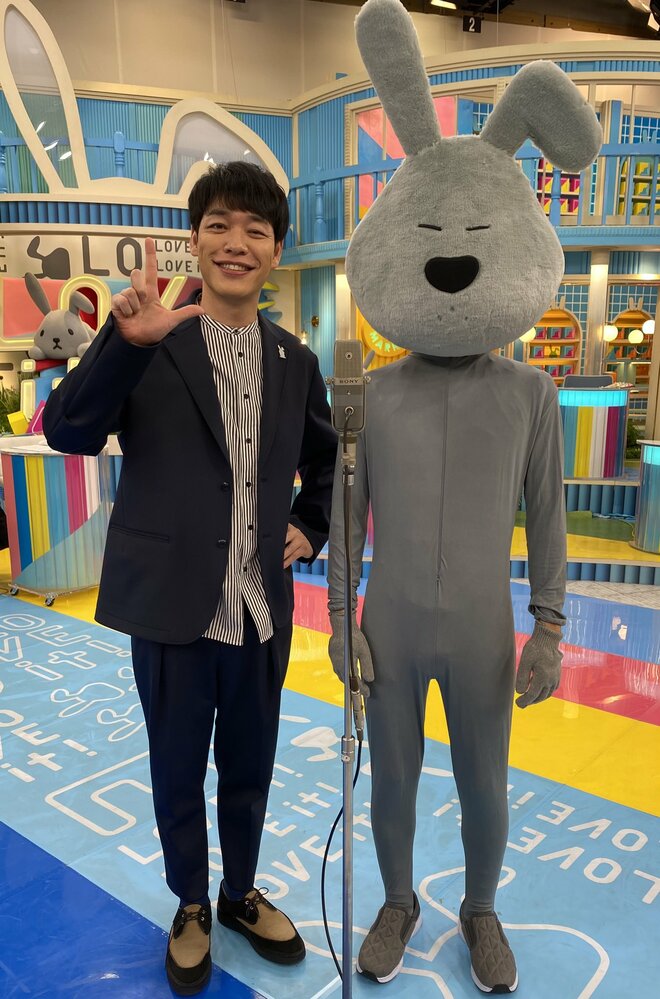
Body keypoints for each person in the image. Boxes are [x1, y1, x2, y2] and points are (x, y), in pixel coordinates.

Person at [43, 161, 337, 996]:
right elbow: (66, 429)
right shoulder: (153, 342)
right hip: (172, 604)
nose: (236, 242)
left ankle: (240, 891)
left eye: (255, 230)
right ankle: (192, 902)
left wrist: (310, 522)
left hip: (258, 608)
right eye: (219, 225)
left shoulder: (295, 359)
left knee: (250, 764)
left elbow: (326, 459)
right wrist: (123, 346)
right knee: (177, 766)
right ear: (196, 241)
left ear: (276, 251)